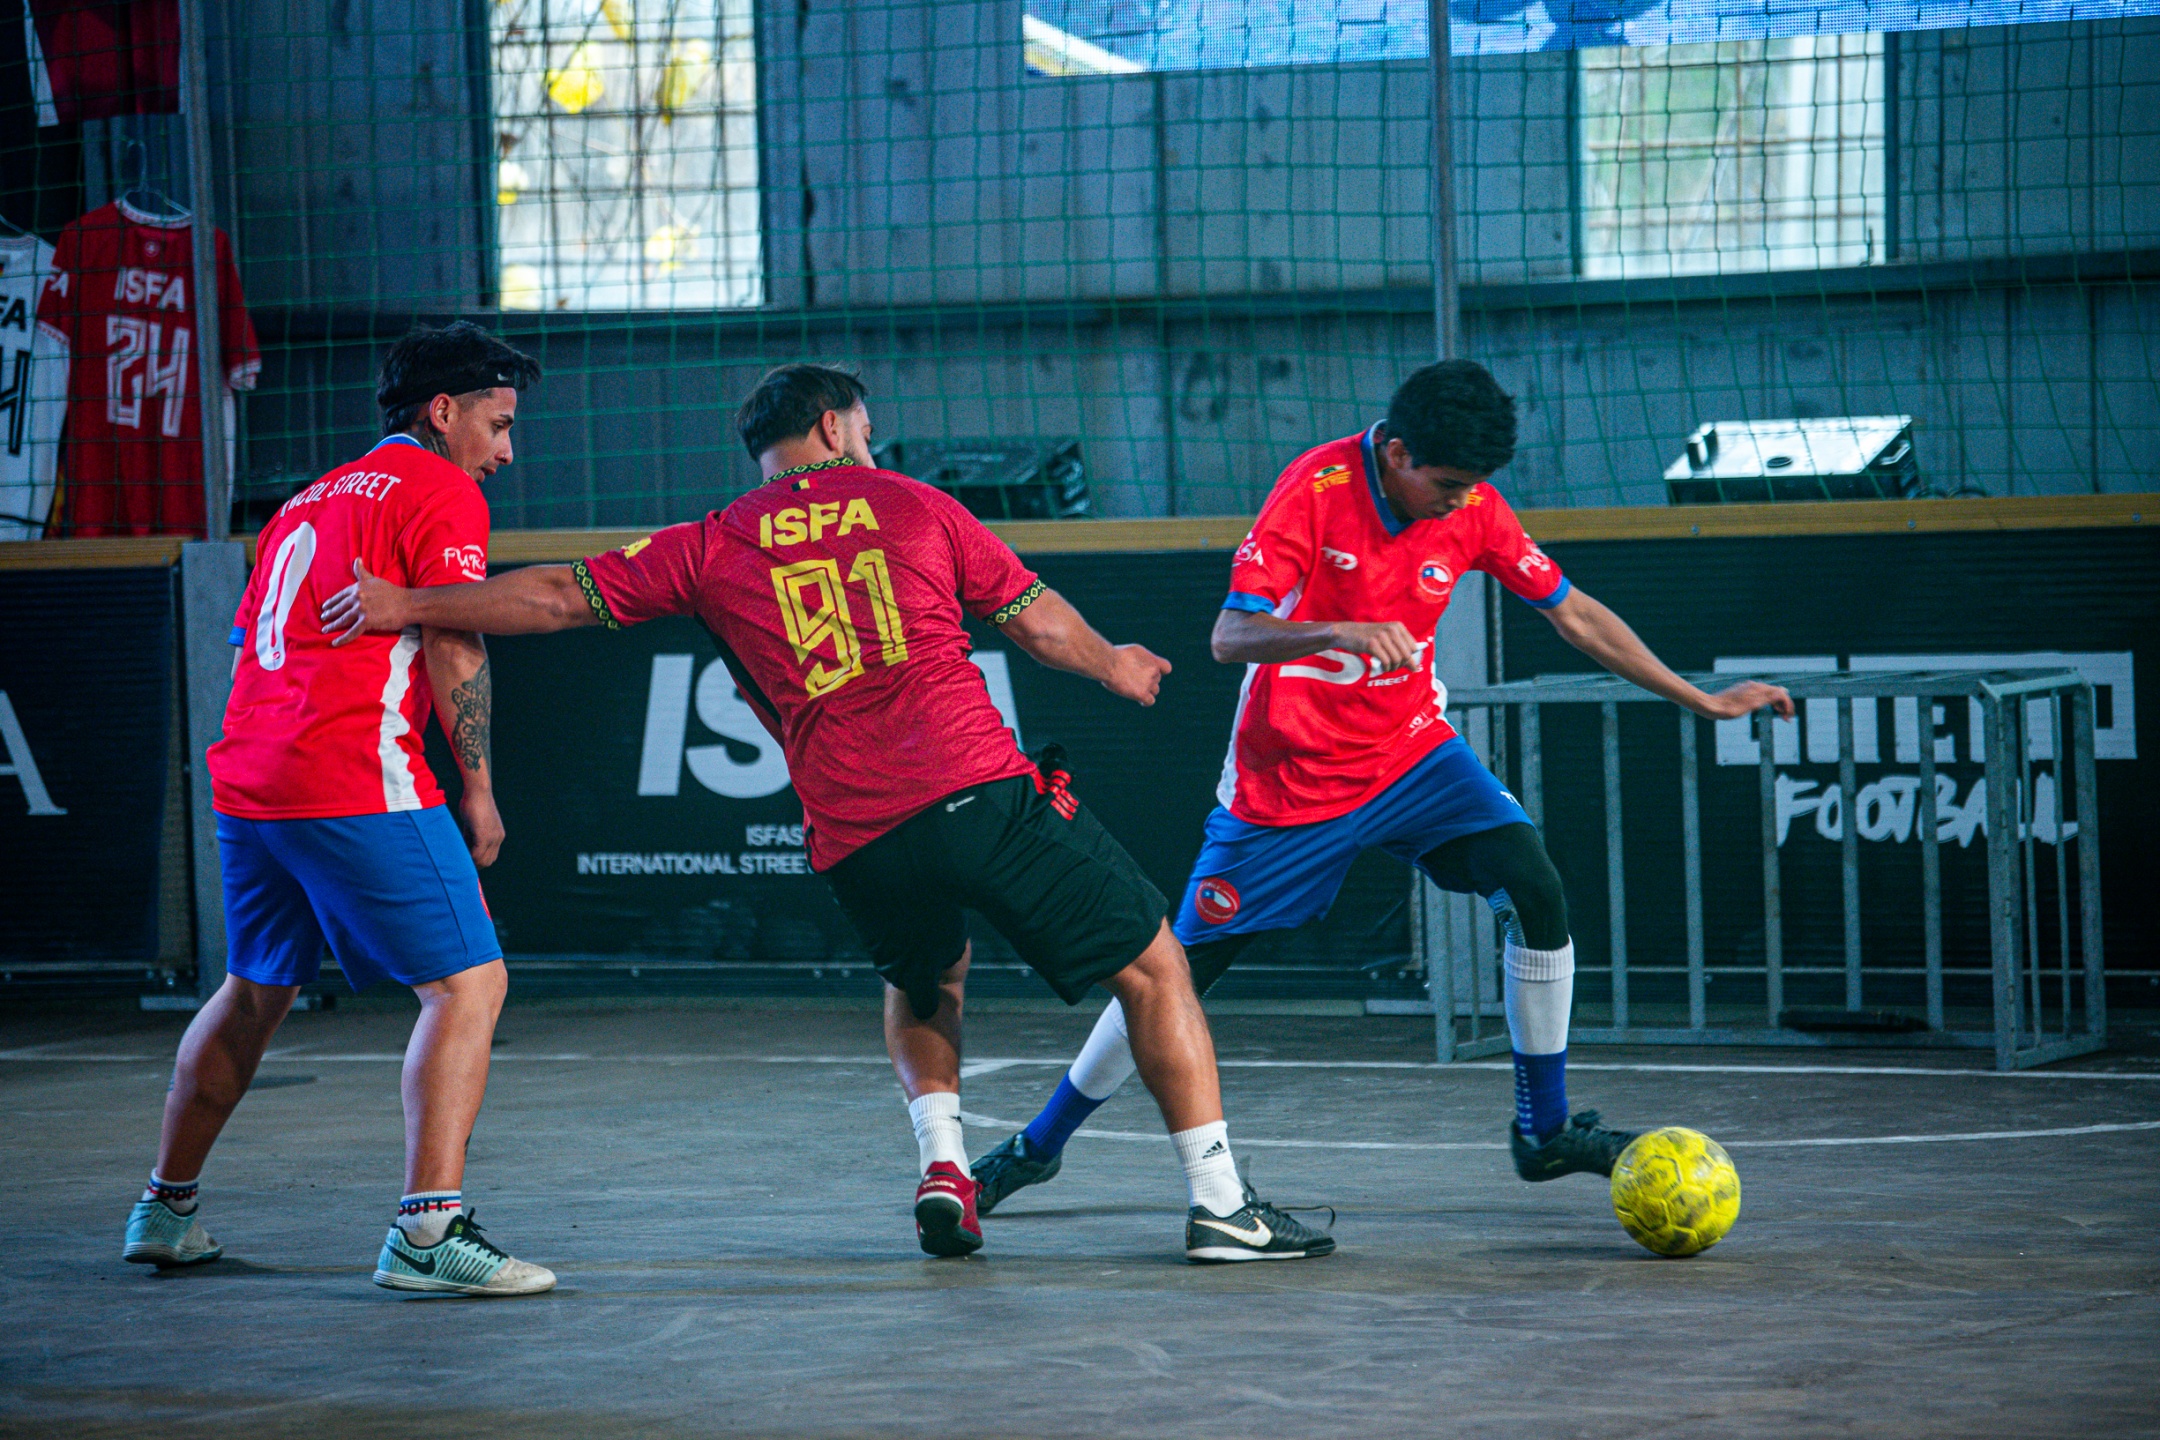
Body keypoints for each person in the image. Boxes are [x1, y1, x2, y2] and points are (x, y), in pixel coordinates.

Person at [317, 363, 1335, 1264]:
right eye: (866, 427)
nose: (871, 442)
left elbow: (553, 598)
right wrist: (1115, 665)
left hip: (856, 835)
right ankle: (1221, 1206)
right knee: (1154, 967)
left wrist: (409, 605)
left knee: (926, 976)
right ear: (837, 427)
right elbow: (1036, 623)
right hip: (976, 791)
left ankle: (944, 1168)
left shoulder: (713, 541)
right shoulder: (916, 504)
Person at [969, 359, 1796, 1215]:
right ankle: (1038, 1146)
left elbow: (1573, 613)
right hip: (1291, 784)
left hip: (1412, 753)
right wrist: (1341, 629)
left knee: (1534, 882)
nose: (1461, 501)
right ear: (1397, 453)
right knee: (1171, 974)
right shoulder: (1314, 490)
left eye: (1472, 487)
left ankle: (1544, 1132)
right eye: (1448, 484)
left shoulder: (1472, 505)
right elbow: (1230, 636)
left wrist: (1699, 698)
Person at [122, 321, 555, 1298]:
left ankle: (165, 1208)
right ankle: (427, 1233)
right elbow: (452, 639)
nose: (505, 451)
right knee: (469, 986)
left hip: (250, 778)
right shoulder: (439, 489)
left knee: (253, 990)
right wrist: (479, 790)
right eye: (497, 425)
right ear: (442, 412)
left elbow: (250, 647)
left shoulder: (304, 501)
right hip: (351, 773)